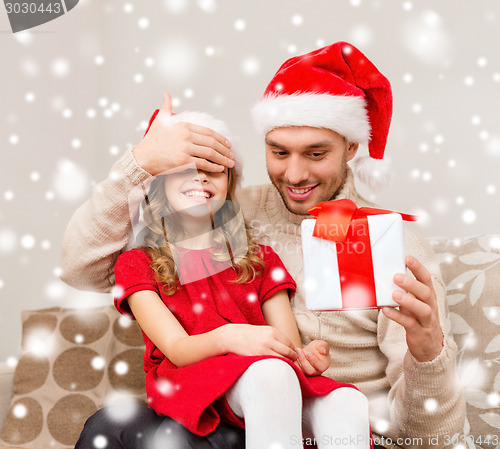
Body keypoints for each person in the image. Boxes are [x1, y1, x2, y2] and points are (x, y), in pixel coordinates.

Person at [63, 42, 465, 449]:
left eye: (316, 153)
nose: (295, 173)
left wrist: (428, 352)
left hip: (336, 421)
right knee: (108, 428)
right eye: (279, 152)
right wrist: (141, 161)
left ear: (352, 147)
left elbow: (434, 438)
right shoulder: (227, 212)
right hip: (236, 413)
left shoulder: (390, 241)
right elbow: (83, 268)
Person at [108, 110, 371, 449]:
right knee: (272, 375)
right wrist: (232, 337)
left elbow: (286, 347)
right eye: (186, 169)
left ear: (228, 183)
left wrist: (305, 357)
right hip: (194, 378)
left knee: (347, 402)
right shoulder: (137, 263)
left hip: (270, 377)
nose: (201, 179)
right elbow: (177, 349)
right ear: (158, 185)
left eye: (213, 171)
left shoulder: (259, 259)